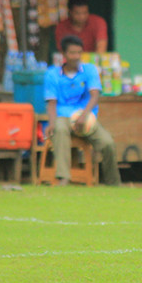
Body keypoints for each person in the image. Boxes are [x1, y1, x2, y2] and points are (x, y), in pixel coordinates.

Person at [44, 35, 121, 186]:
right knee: (59, 129)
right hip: (63, 117)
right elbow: (51, 103)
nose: (76, 56)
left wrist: (83, 116)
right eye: (72, 53)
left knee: (107, 143)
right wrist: (51, 123)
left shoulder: (89, 70)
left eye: (79, 52)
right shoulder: (52, 74)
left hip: (86, 116)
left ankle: (113, 183)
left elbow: (95, 95)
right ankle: (63, 178)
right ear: (64, 54)